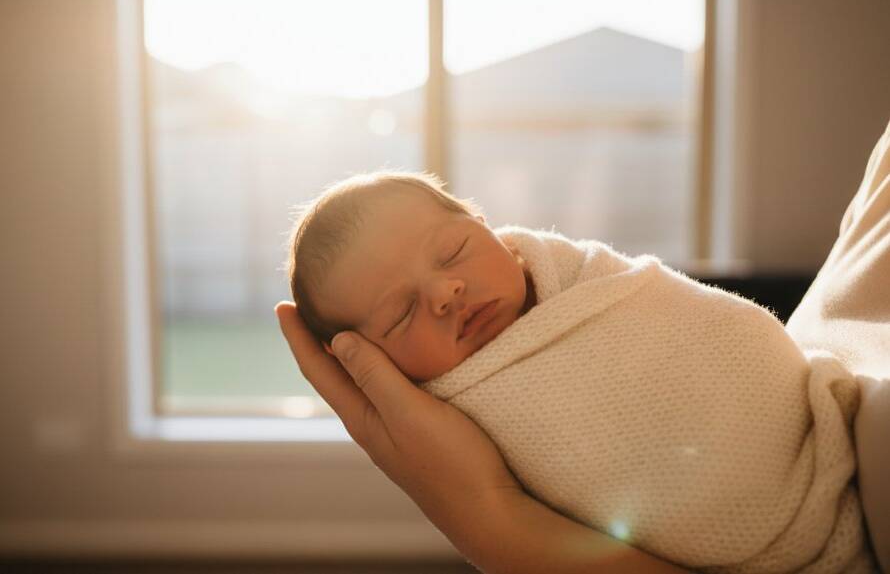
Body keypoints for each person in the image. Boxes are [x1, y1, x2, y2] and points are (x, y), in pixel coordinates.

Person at [276, 122, 890, 572]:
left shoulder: (585, 278)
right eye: (402, 312)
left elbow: (702, 332)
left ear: (490, 229)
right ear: (373, 363)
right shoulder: (453, 417)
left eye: (454, 251)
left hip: (825, 437)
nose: (445, 291)